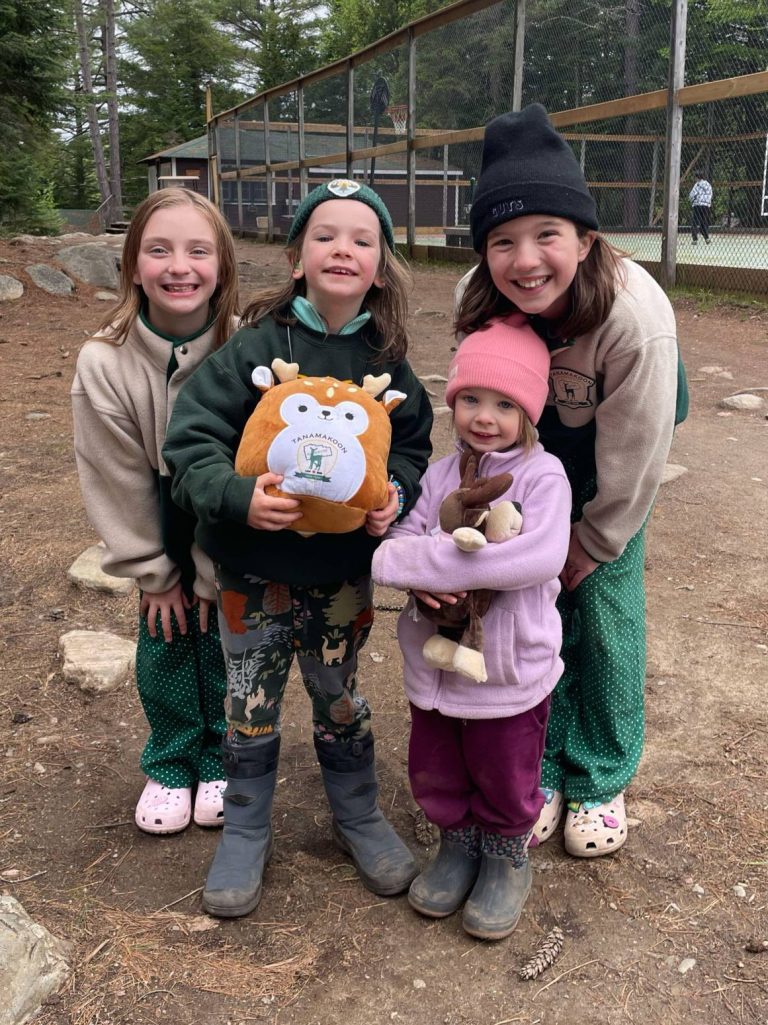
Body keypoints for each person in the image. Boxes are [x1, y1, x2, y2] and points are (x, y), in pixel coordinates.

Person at [162, 179, 433, 918]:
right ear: (295, 258)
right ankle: (247, 826)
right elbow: (191, 443)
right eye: (325, 235)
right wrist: (237, 496)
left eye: (361, 239)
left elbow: (411, 449)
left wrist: (394, 499)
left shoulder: (390, 365)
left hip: (341, 577)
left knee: (338, 692)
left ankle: (358, 815)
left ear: (380, 268)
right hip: (253, 570)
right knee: (250, 694)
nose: (342, 248)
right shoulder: (251, 352)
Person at [455, 103, 685, 859]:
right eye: (502, 241)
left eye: (547, 235)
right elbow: (470, 414)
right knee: (530, 601)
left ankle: (601, 771)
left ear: (586, 239)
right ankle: (544, 760)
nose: (525, 261)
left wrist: (594, 536)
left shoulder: (633, 315)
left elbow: (638, 450)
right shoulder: (477, 300)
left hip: (615, 441)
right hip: (532, 443)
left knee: (604, 605)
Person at [372, 316, 571, 940]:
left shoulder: (545, 477)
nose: (484, 416)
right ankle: (456, 843)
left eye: (504, 404)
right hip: (434, 666)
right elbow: (386, 553)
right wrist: (423, 574)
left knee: (504, 766)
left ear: (529, 411)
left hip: (508, 667)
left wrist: (438, 558)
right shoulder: (437, 476)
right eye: (471, 400)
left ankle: (506, 854)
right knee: (436, 761)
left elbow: (537, 557)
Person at [71, 187, 240, 835]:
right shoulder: (102, 361)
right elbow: (114, 479)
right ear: (132, 264)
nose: (180, 266)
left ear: (220, 264)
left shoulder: (243, 349)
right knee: (165, 635)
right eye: (159, 249)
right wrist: (155, 572)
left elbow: (244, 465)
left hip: (228, 526)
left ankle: (223, 753)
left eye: (199, 250)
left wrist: (208, 572)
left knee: (227, 639)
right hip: (156, 514)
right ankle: (171, 759)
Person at [689, 171, 712, 245]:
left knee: (695, 222)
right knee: (703, 222)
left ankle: (694, 239)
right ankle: (707, 238)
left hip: (698, 204)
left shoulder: (697, 184)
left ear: (696, 177)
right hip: (706, 205)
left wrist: (692, 200)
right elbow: (711, 194)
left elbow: (692, 194)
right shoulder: (708, 185)